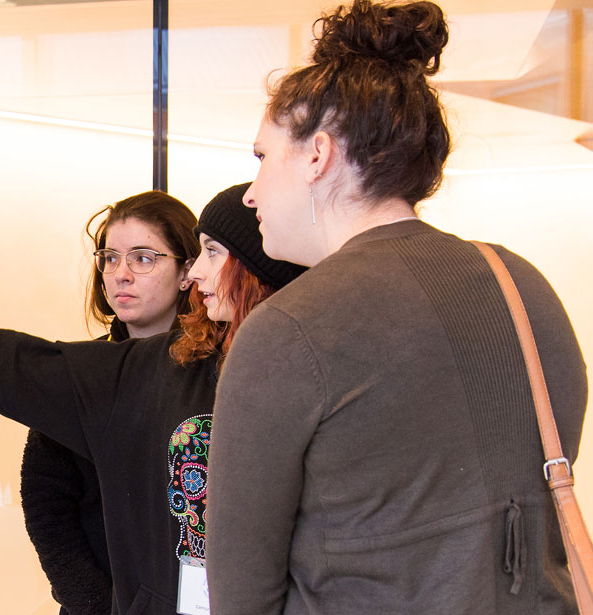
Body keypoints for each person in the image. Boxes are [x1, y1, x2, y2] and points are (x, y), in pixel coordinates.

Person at [204, 2, 589, 614]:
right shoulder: (521, 284)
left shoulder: (290, 329)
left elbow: (241, 588)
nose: (251, 191)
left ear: (317, 155)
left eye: (261, 156)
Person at [0, 184, 305, 614]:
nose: (121, 273)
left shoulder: (298, 369)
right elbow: (6, 364)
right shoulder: (131, 373)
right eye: (110, 258)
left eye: (212, 253)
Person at [20, 191, 199, 615]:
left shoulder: (217, 372)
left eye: (142, 258)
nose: (121, 274)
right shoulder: (84, 375)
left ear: (187, 270)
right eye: (110, 258)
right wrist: (98, 606)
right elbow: (47, 511)